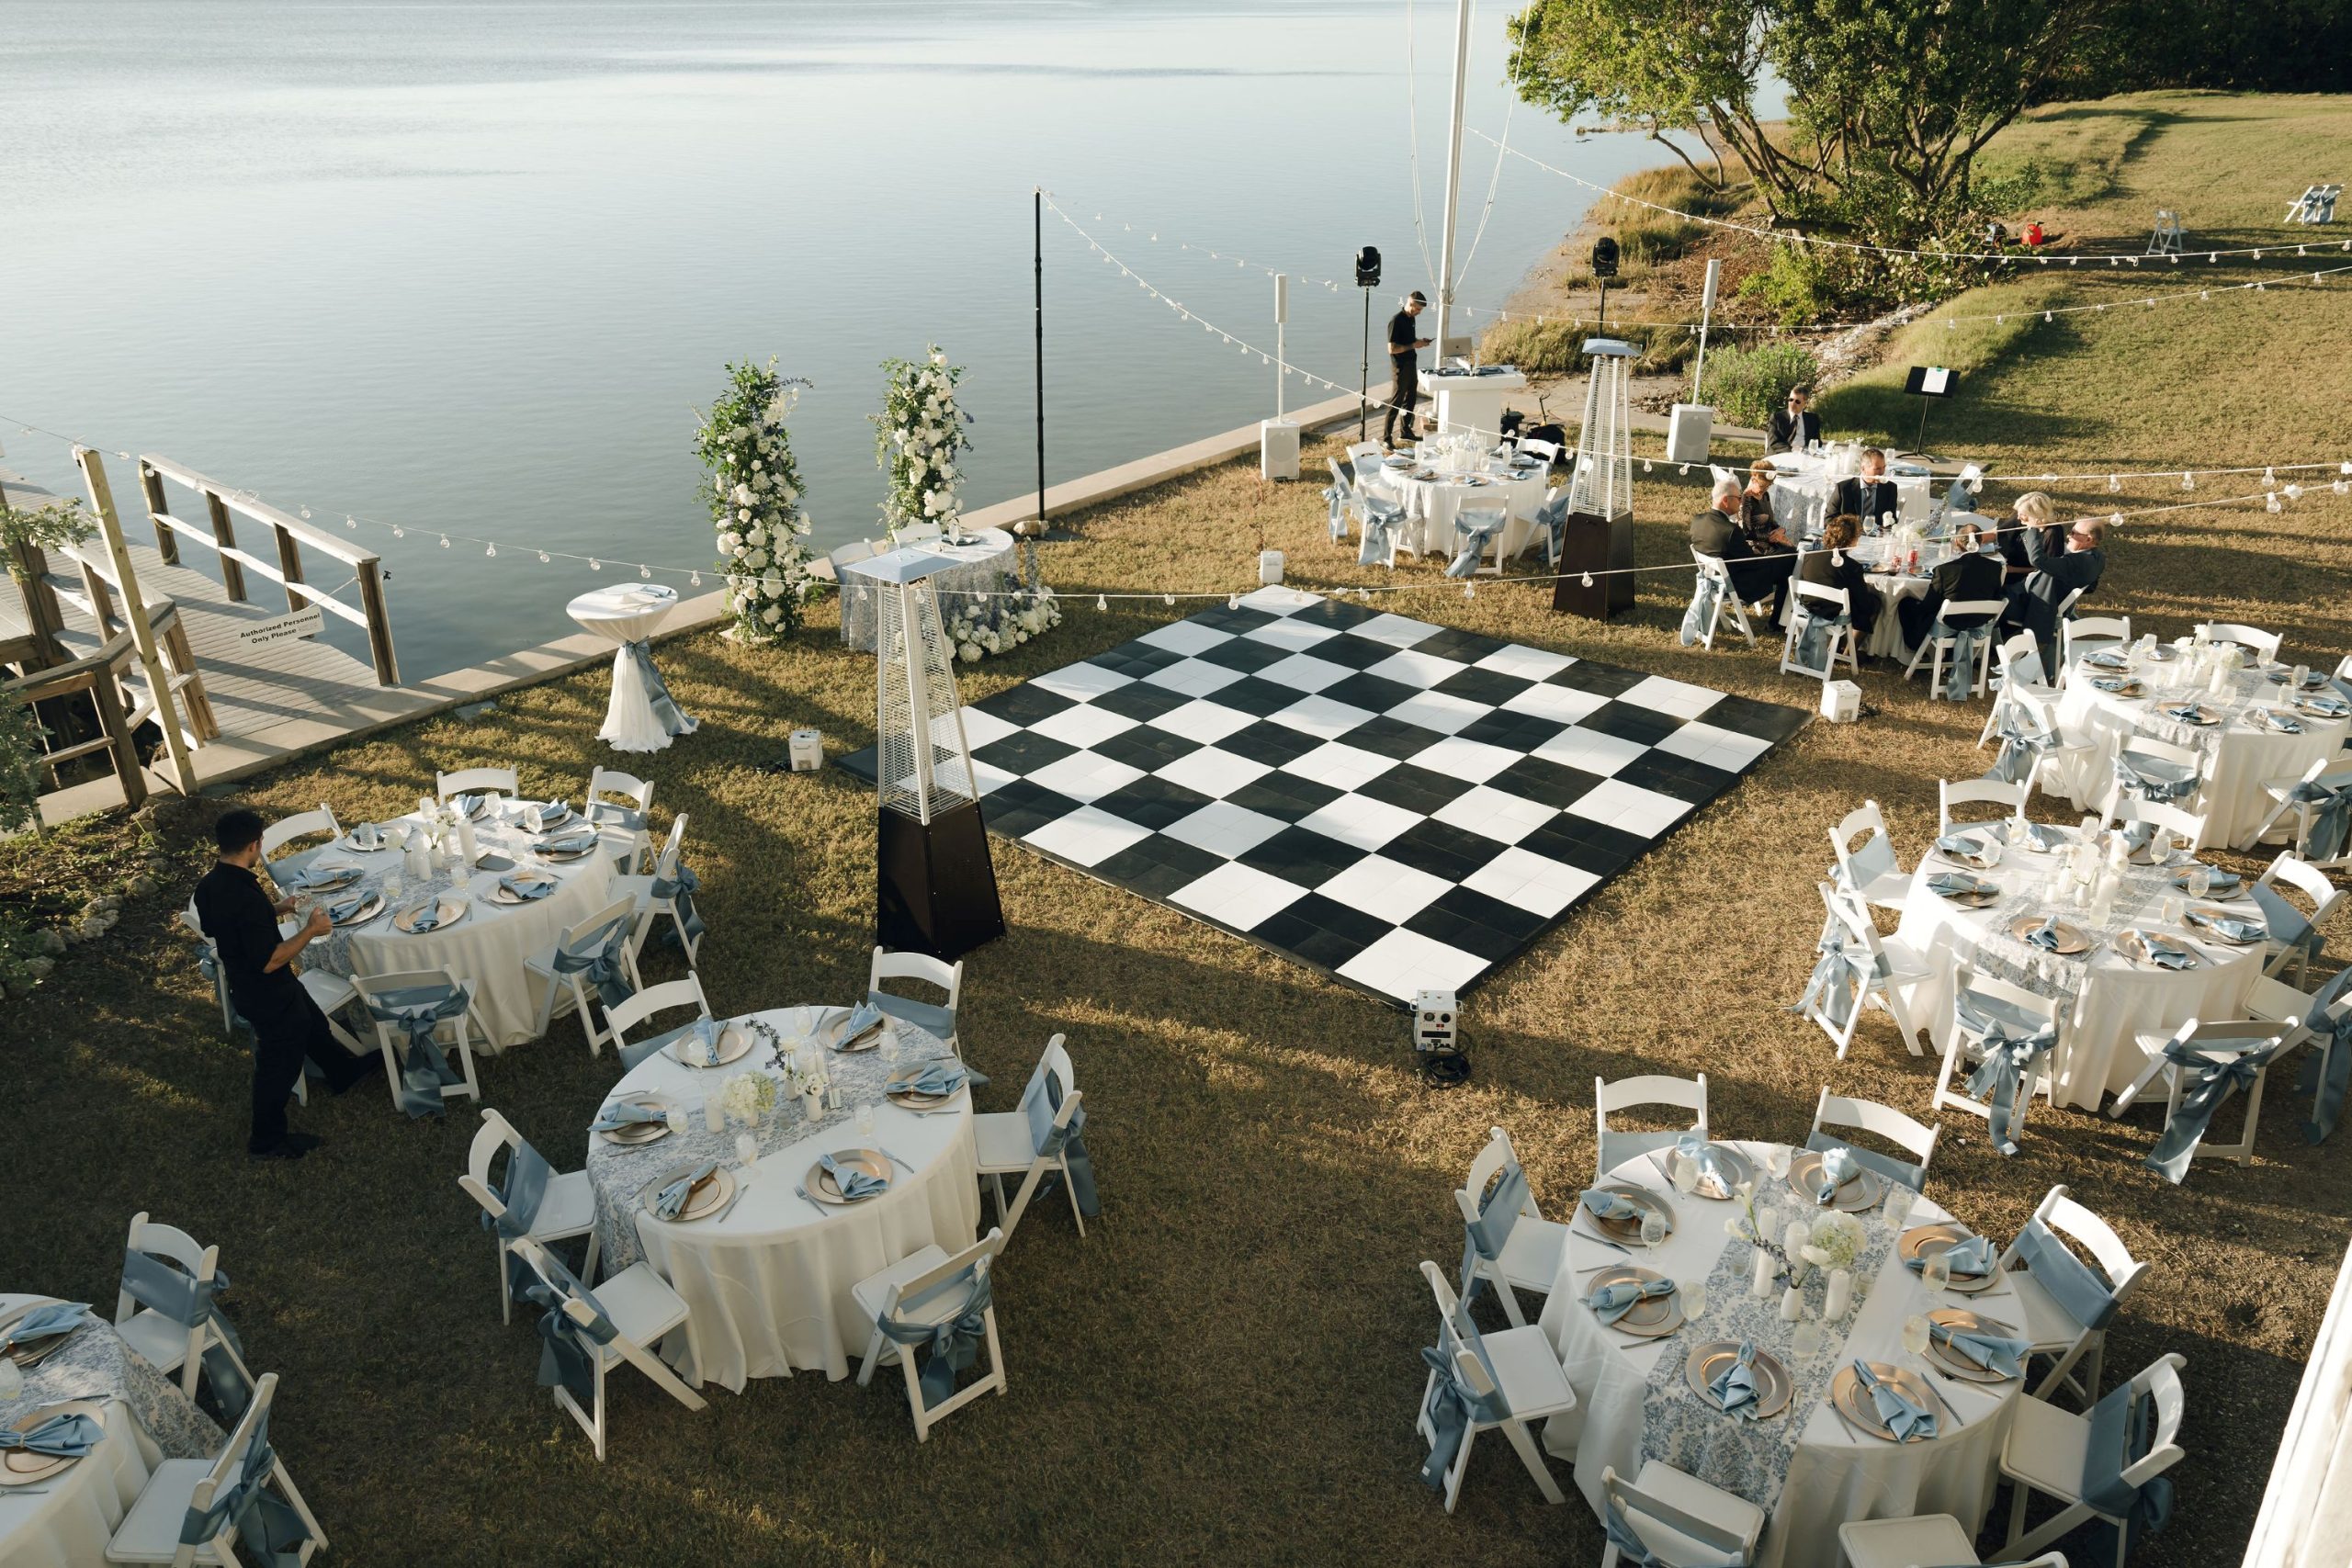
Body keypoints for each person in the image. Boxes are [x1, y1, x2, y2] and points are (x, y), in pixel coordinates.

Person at [192, 807, 372, 1159]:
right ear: (253, 846)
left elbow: (222, 927)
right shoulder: (243, 895)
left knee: (312, 1021)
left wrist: (276, 909)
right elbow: (271, 959)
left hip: (249, 985)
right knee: (279, 1067)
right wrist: (311, 930)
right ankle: (266, 1140)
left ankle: (343, 1072)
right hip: (265, 992)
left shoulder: (211, 885)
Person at [2010, 514, 2108, 675]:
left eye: (2074, 532)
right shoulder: (2098, 558)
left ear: (2088, 539)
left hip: (2032, 604)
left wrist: (2032, 529)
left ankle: (1993, 651)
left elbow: (2038, 560)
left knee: (1992, 599)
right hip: (2047, 599)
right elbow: (2091, 587)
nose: (2069, 535)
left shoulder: (2077, 562)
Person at [1691, 479, 1794, 621]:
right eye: (1738, 498)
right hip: (1740, 583)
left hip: (1715, 577)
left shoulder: (1698, 520)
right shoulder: (1731, 530)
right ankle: (1778, 621)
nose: (1741, 501)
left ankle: (1777, 620)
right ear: (1726, 500)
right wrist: (1775, 555)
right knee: (1791, 561)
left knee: (1785, 560)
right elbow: (1751, 563)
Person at [1896, 521, 2007, 651]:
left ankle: (1914, 646)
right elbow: (1995, 597)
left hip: (1948, 624)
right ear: (1981, 542)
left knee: (1906, 604)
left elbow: (1929, 605)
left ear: (1957, 543)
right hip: (1979, 622)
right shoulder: (1995, 568)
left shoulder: (1944, 570)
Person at [1801, 513, 1882, 646]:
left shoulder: (1810, 556)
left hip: (1807, 607)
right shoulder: (1852, 566)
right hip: (1831, 613)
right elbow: (1864, 604)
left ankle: (1838, 646)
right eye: (1857, 536)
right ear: (1851, 540)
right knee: (1874, 603)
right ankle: (1849, 653)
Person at [1382, 290, 1433, 448]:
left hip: (1411, 364)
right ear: (1411, 303)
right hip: (1400, 367)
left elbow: (1410, 341)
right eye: (1417, 309)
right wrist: (1413, 345)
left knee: (1410, 399)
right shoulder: (1396, 321)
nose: (1418, 313)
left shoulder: (1411, 319)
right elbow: (1392, 348)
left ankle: (1406, 431)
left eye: (1420, 311)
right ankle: (1386, 438)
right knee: (1396, 402)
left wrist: (1420, 342)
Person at [1995, 491, 2062, 582]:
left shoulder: (2052, 534)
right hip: (2003, 565)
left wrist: (2012, 569)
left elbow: (2047, 571)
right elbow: (1998, 534)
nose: (2018, 517)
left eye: (2022, 514)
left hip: (2025, 579)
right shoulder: (2021, 520)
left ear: (2037, 515)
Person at [1833, 447, 1901, 532]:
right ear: (1863, 468)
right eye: (1877, 469)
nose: (1882, 473)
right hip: (1849, 538)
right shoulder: (1843, 488)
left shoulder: (1890, 488)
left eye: (1883, 467)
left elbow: (1891, 520)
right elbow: (1829, 519)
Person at [1739, 460, 1793, 552]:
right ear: (1753, 480)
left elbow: (1770, 521)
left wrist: (1781, 530)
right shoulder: (1746, 499)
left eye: (1768, 486)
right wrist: (1770, 536)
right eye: (1762, 486)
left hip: (1770, 541)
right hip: (1757, 546)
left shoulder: (1765, 495)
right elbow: (1746, 533)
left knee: (1795, 551)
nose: (1765, 490)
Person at [1766, 387, 1821, 453]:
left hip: (1804, 455)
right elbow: (1774, 443)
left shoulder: (1813, 419)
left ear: (1805, 403)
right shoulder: (1777, 418)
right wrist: (1792, 450)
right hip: (1781, 454)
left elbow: (1817, 442)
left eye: (1797, 401)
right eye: (1791, 399)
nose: (1793, 403)